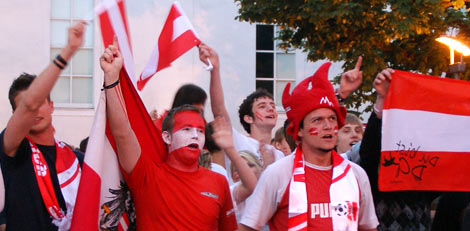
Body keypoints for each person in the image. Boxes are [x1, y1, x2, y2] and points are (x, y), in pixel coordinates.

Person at [100, 37, 237, 230]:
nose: (195, 136)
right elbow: (122, 133)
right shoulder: (147, 175)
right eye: (186, 129)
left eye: (200, 130)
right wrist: (112, 79)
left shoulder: (219, 182)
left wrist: (215, 70)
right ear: (166, 136)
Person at [240, 62, 378, 231]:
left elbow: (368, 227)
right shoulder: (278, 174)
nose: (328, 126)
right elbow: (247, 227)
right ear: (299, 131)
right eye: (317, 120)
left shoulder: (356, 174)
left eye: (332, 119)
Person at [0, 21, 86, 231]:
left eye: (41, 103)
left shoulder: (77, 160)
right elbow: (29, 105)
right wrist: (68, 52)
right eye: (26, 108)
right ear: (15, 115)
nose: (34, 110)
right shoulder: (12, 149)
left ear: (52, 106)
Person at [359, 68, 439, 230]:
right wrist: (382, 99)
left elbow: (449, 171)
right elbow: (369, 154)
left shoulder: (426, 178)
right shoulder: (376, 179)